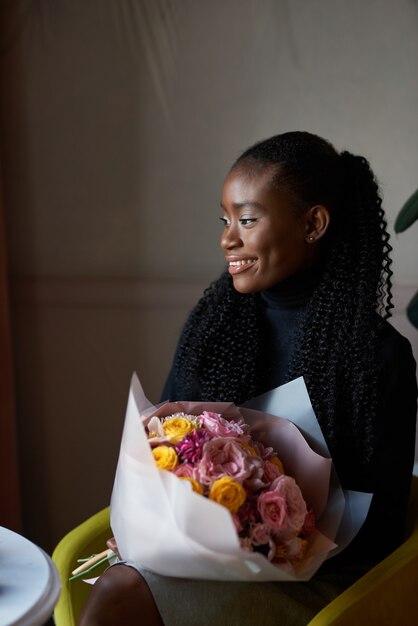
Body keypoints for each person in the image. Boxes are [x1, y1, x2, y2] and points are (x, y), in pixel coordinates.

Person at [78, 131, 417, 625]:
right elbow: (158, 456)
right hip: (197, 566)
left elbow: (383, 529)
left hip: (316, 585)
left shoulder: (377, 357)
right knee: (114, 583)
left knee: (118, 596)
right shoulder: (214, 324)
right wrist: (155, 523)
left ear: (313, 224)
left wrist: (262, 536)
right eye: (225, 219)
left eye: (248, 219)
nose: (227, 238)